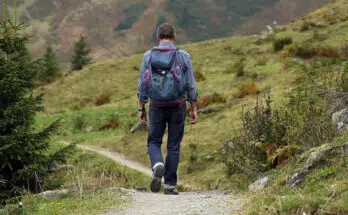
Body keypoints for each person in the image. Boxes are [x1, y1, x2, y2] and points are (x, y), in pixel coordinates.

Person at [137, 23, 198, 195]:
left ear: (158, 38)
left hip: (156, 105)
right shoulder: (183, 56)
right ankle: (170, 185)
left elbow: (142, 84)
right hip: (177, 105)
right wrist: (193, 107)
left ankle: (157, 163)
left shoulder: (147, 56)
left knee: (154, 141)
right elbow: (191, 84)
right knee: (173, 145)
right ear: (174, 37)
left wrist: (141, 108)